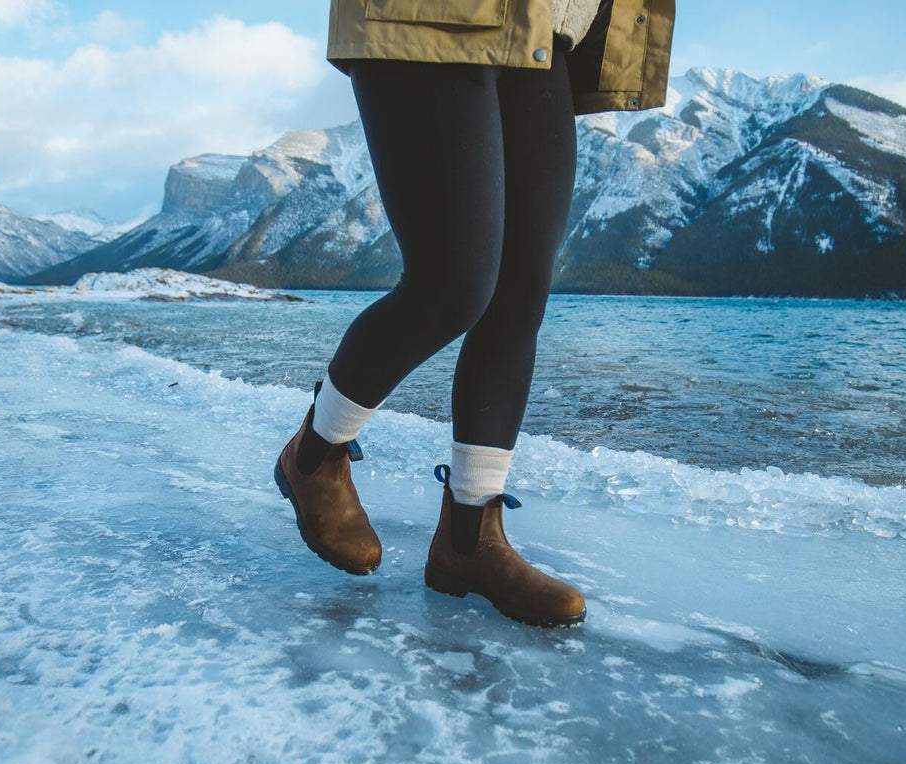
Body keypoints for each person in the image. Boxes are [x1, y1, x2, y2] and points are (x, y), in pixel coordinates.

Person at [274, 0, 676, 627]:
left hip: (550, 30)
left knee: (519, 296)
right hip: (433, 12)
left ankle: (469, 541)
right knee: (452, 284)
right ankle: (313, 456)